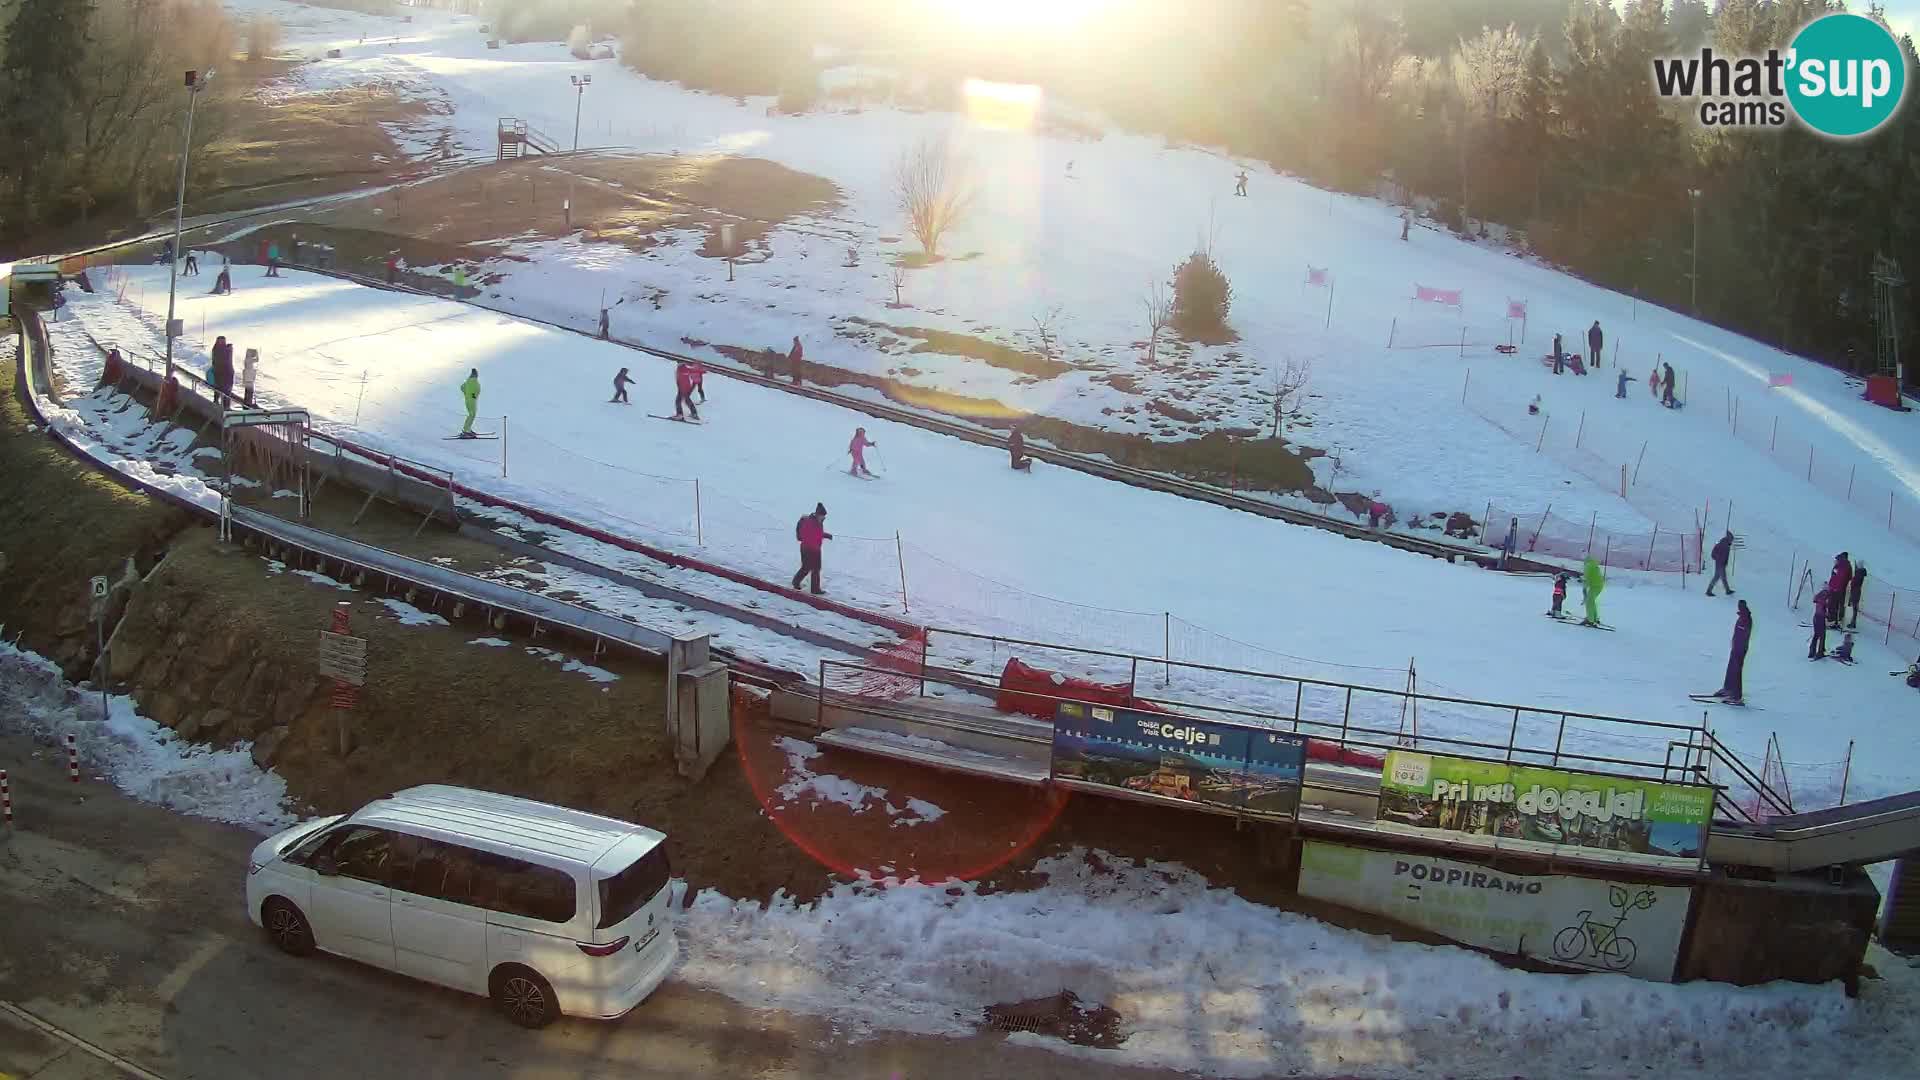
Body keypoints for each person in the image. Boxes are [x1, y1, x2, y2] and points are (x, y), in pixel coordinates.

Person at [1715, 601, 1752, 703]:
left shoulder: (1746, 619)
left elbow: (1744, 635)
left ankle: (1736, 695)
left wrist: (1739, 646)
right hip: (1736, 647)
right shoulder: (1741, 617)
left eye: (1740, 607)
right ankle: (1728, 688)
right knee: (1731, 668)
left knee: (1736, 670)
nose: (1739, 609)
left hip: (1740, 649)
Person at [792, 503, 831, 595]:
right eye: (822, 516)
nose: (823, 518)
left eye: (824, 516)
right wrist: (821, 536)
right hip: (808, 548)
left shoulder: (818, 522)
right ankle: (813, 589)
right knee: (809, 568)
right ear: (817, 514)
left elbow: (817, 533)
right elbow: (809, 534)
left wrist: (825, 535)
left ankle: (800, 583)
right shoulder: (810, 522)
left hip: (815, 548)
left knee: (813, 568)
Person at [1827, 553, 1853, 628]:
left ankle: (1831, 621)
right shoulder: (1848, 566)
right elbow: (1849, 577)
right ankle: (1839, 621)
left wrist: (1831, 585)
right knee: (1840, 605)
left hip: (1833, 588)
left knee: (1832, 604)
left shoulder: (1838, 565)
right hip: (1842, 589)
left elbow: (1833, 575)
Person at [1706, 530, 1735, 596]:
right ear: (1728, 538)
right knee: (1722, 578)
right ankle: (1727, 591)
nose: (1732, 541)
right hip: (1720, 564)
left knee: (1717, 577)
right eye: (1731, 540)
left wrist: (1725, 562)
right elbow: (1713, 553)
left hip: (1722, 563)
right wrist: (1719, 558)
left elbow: (1726, 555)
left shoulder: (1727, 544)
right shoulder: (1721, 544)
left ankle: (1709, 591)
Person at [209, 336, 235, 407]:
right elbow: (223, 360)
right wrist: (229, 350)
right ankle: (222, 405)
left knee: (224, 390)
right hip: (221, 373)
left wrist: (229, 350)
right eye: (221, 341)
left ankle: (223, 405)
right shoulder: (218, 350)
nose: (222, 343)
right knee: (223, 390)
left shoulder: (218, 349)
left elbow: (227, 360)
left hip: (224, 373)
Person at [1581, 556, 1605, 627]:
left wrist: (1584, 589)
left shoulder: (1588, 566)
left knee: (1589, 602)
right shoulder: (1593, 564)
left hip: (1595, 586)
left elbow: (1586, 578)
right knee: (1591, 601)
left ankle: (1590, 620)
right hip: (1598, 585)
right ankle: (1594, 618)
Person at [1809, 587, 1830, 659]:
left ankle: (1812, 652)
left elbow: (1815, 601)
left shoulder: (1819, 596)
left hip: (1815, 618)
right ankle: (1820, 652)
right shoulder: (1825, 599)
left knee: (1816, 635)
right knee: (1822, 635)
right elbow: (1822, 611)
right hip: (1820, 619)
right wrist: (1827, 616)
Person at [460, 368, 481, 436]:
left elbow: (462, 387)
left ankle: (467, 429)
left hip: (467, 400)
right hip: (472, 400)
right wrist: (474, 396)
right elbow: (477, 391)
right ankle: (466, 430)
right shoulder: (476, 382)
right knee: (472, 414)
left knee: (471, 414)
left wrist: (466, 394)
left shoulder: (467, 381)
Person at [1849, 561, 1867, 629]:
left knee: (1855, 608)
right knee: (1855, 608)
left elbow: (1854, 582)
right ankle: (1853, 622)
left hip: (1855, 592)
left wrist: (1852, 582)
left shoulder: (1859, 574)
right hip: (1857, 591)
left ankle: (1853, 623)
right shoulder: (1860, 573)